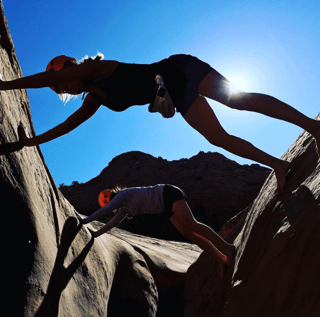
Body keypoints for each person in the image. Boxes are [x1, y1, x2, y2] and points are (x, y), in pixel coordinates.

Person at [1, 53, 320, 192]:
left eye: (59, 82)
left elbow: (42, 78)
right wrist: (32, 141)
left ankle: (313, 126)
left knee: (239, 100)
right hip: (175, 94)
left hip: (179, 70)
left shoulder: (94, 70)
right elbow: (70, 125)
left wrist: (4, 86)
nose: (61, 88)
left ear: (68, 69)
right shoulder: (94, 97)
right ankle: (278, 165)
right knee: (218, 138)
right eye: (58, 89)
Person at [79, 184, 236, 278]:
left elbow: (106, 211)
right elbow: (111, 224)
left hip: (168, 194)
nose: (113, 205)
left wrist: (84, 221)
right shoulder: (124, 208)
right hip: (165, 206)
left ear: (112, 197)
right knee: (189, 233)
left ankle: (228, 248)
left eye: (111, 202)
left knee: (192, 224)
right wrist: (94, 234)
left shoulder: (122, 195)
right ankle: (221, 259)